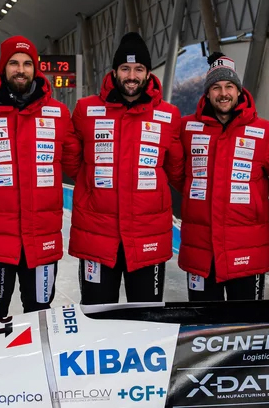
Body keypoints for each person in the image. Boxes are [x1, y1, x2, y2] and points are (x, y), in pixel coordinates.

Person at [0, 36, 72, 322]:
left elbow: (79, 165)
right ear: (2, 67)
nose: (20, 70)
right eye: (13, 63)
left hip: (42, 241)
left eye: (27, 64)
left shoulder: (58, 114)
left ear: (36, 69)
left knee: (41, 319)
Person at [63, 32, 183, 304]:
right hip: (97, 236)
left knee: (147, 318)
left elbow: (176, 168)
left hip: (147, 236)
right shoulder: (86, 109)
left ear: (148, 73)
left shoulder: (168, 115)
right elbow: (72, 160)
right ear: (114, 71)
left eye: (138, 69)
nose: (132, 76)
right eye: (126, 69)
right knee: (95, 315)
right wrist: (90, 188)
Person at [178, 53, 269, 301]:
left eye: (229, 86)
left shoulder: (264, 131)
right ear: (207, 93)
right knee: (202, 326)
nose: (223, 93)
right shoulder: (187, 128)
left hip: (247, 251)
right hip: (201, 249)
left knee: (247, 327)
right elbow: (175, 172)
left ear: (239, 90)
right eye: (216, 87)